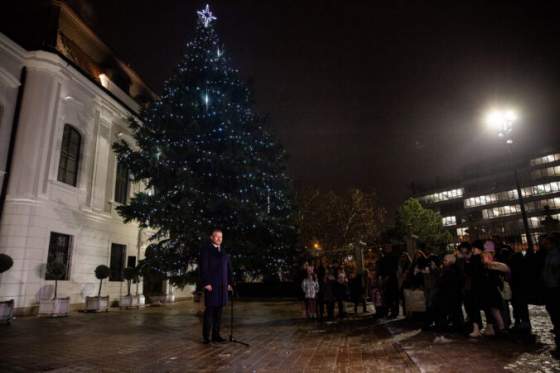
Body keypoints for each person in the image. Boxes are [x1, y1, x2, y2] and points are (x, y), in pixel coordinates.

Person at [199, 228, 233, 344]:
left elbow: (228, 269)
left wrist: (229, 283)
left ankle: (216, 335)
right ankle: (206, 337)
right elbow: (204, 268)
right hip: (211, 286)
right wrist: (206, 283)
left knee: (219, 312)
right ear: (211, 237)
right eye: (217, 236)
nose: (219, 239)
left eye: (221, 237)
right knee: (209, 312)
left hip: (222, 286)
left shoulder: (223, 252)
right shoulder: (206, 251)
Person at [540, 233, 560, 358]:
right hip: (551, 288)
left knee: (558, 318)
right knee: (556, 318)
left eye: (546, 242)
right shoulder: (548, 254)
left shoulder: (556, 255)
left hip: (556, 289)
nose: (544, 244)